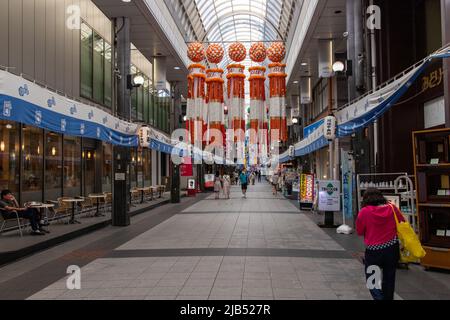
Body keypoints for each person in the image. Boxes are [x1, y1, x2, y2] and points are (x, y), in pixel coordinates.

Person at [356, 188, 405, 301]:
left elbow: (359, 231)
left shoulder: (365, 212)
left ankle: (379, 298)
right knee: (389, 279)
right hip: (392, 248)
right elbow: (402, 223)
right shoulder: (392, 208)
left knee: (373, 280)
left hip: (374, 251)